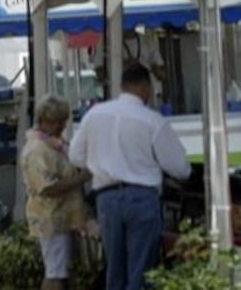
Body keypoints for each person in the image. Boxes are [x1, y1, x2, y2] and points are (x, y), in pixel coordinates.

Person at [69, 64, 191, 290]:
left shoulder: (94, 114)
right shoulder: (152, 120)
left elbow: (75, 156)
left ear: (122, 86)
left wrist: (101, 164)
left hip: (106, 198)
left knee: (114, 269)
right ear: (145, 87)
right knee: (141, 270)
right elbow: (180, 168)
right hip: (142, 198)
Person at [20, 94, 92, 290]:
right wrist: (81, 178)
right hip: (50, 218)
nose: (61, 126)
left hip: (62, 216)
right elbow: (48, 188)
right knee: (55, 273)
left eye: (63, 121)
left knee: (60, 271)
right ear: (43, 120)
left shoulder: (54, 144)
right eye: (57, 122)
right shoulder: (37, 150)